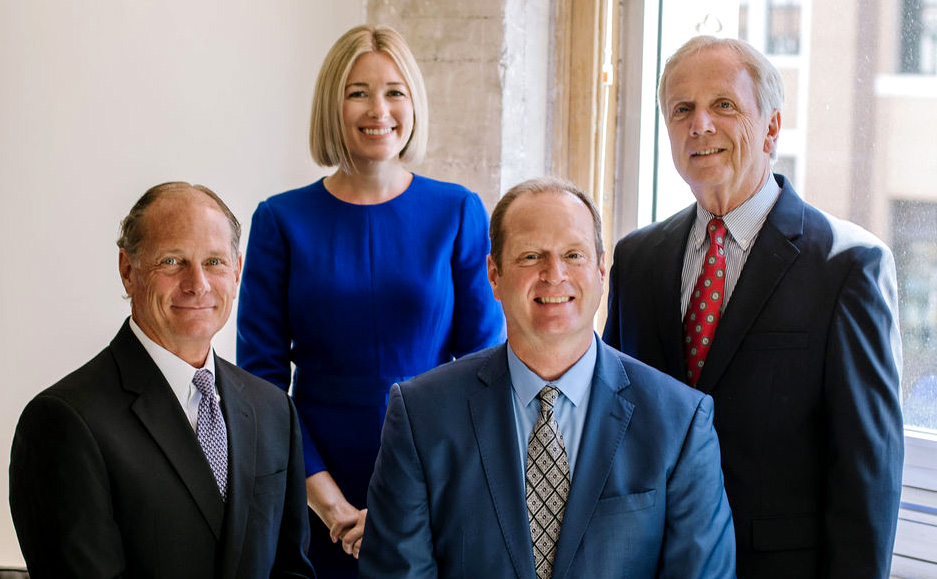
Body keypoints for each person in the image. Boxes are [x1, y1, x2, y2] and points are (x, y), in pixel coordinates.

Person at [603, 36, 904, 579]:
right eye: (681, 109)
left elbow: (867, 474)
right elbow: (612, 428)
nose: (700, 124)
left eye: (723, 105)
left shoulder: (848, 266)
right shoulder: (637, 259)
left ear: (770, 128)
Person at [359, 177, 735, 579]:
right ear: (494, 274)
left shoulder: (679, 421)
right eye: (530, 256)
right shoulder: (421, 416)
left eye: (573, 254)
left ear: (601, 270)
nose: (554, 274)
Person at [236, 24, 505, 576]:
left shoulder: (458, 212)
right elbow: (260, 384)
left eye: (393, 92)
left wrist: (410, 501)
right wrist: (331, 507)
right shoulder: (279, 221)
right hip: (312, 489)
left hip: (433, 485)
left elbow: (486, 369)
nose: (377, 109)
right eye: (358, 92)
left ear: (414, 104)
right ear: (332, 105)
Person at [9, 182, 315, 578]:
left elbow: (291, 570)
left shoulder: (273, 409)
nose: (198, 284)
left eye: (215, 262)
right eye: (172, 261)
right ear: (127, 271)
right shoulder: (63, 422)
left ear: (237, 271)